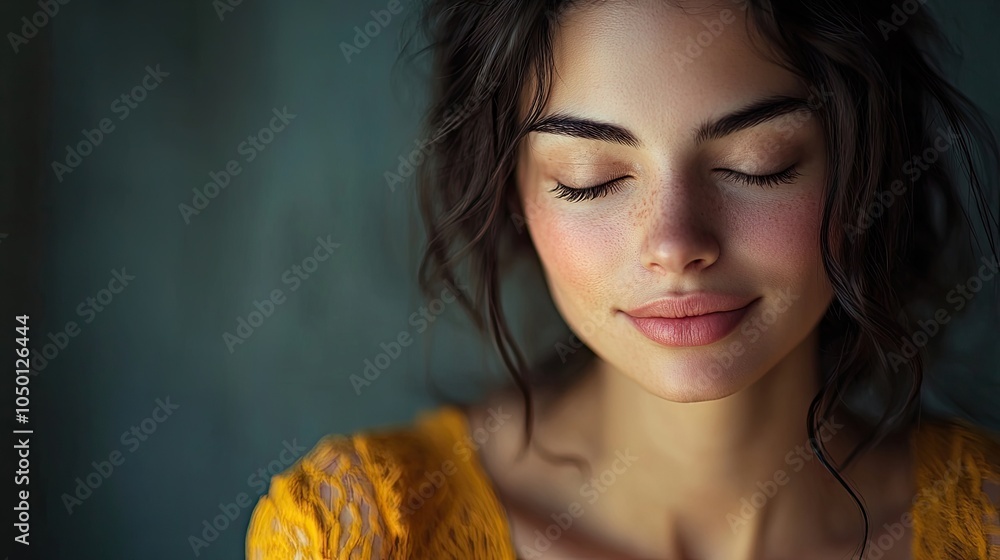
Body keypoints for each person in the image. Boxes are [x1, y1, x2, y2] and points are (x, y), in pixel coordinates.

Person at [246, 0, 1000, 558]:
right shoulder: (363, 535)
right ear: (513, 194)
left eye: (757, 164)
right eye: (590, 178)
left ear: (866, 168)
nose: (674, 245)